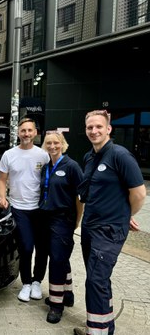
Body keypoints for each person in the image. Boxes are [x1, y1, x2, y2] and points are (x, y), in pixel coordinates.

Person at [74, 110, 146, 335]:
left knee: (96, 281)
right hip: (90, 227)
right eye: (89, 127)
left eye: (98, 127)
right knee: (98, 281)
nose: (94, 131)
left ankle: (97, 332)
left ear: (108, 129)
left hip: (108, 230)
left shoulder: (120, 155)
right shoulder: (89, 157)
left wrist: (125, 216)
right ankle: (102, 327)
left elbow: (139, 193)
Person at [0, 117, 49, 302]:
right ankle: (26, 283)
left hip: (41, 209)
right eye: (23, 131)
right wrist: (2, 198)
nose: (26, 134)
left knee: (42, 248)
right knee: (26, 248)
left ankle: (37, 282)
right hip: (19, 208)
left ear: (35, 132)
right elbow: (2, 180)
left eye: (30, 130)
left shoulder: (43, 155)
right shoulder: (9, 155)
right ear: (18, 133)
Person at [38, 131, 84, 324]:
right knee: (60, 257)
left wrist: (77, 221)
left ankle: (56, 305)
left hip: (63, 219)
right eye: (48, 143)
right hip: (45, 218)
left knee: (56, 260)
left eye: (56, 143)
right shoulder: (45, 167)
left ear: (63, 144)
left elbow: (80, 197)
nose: (52, 146)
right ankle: (68, 294)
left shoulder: (72, 166)